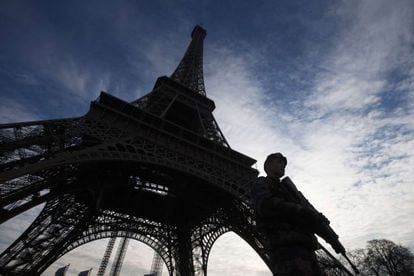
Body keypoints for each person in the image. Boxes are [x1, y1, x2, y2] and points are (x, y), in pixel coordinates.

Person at [251, 153, 326, 276]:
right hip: (287, 248)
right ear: (268, 164)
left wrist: (316, 218)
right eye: (279, 162)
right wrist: (299, 209)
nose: (283, 166)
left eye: (284, 164)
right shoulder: (262, 183)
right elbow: (265, 205)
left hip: (307, 248)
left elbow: (307, 216)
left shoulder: (289, 190)